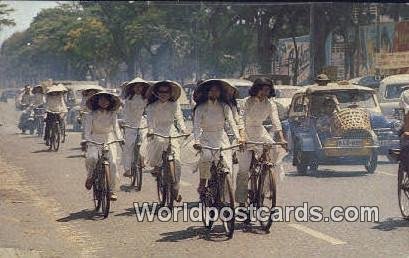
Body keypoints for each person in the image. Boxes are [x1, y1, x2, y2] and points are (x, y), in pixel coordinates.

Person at [235, 78, 287, 206]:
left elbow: (276, 121)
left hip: (260, 131)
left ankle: (264, 186)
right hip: (245, 133)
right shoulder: (246, 102)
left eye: (267, 90)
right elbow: (241, 119)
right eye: (262, 90)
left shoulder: (270, 104)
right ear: (256, 89)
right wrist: (241, 137)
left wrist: (281, 138)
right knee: (244, 169)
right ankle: (241, 202)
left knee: (274, 151)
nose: (264, 93)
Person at [192, 79, 243, 194]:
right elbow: (196, 126)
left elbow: (232, 122)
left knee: (227, 165)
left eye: (217, 91)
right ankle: (202, 183)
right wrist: (196, 141)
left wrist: (238, 138)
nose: (214, 93)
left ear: (220, 93)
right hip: (206, 138)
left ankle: (226, 193)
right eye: (212, 91)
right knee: (206, 157)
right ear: (207, 92)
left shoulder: (224, 106)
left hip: (221, 137)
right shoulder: (200, 108)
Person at [144, 81, 188, 202]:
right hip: (157, 131)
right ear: (156, 93)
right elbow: (150, 121)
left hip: (171, 131)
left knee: (177, 162)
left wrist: (184, 130)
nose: (164, 94)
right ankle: (158, 165)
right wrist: (150, 130)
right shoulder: (151, 106)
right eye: (161, 92)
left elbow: (179, 118)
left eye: (166, 92)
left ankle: (176, 189)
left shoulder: (174, 104)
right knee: (158, 141)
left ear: (170, 93)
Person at [83, 92, 123, 201]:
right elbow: (87, 130)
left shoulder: (113, 114)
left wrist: (120, 138)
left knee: (113, 164)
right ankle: (90, 176)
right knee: (93, 158)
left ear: (110, 102)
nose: (104, 102)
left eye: (106, 100)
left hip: (109, 140)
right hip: (94, 139)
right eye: (101, 100)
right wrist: (86, 140)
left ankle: (111, 190)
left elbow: (116, 128)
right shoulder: (90, 115)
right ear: (97, 101)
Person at [121, 77, 150, 178]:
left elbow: (149, 112)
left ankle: (143, 160)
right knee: (128, 146)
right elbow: (125, 113)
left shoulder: (146, 99)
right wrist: (124, 122)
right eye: (136, 87)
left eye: (140, 87)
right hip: (130, 124)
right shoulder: (128, 100)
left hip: (142, 123)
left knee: (145, 141)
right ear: (132, 88)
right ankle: (128, 169)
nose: (138, 88)